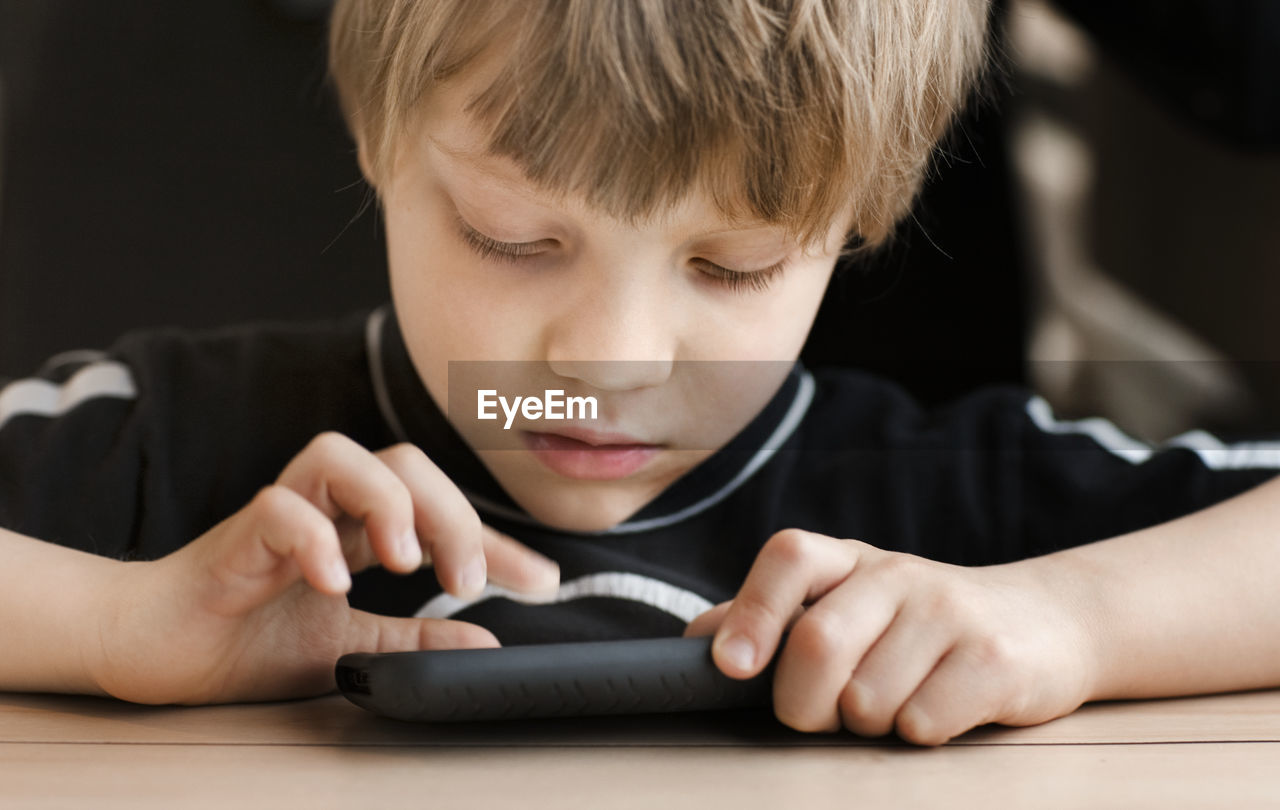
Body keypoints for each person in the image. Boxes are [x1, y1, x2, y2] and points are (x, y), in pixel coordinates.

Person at [2, 0, 1279, 746]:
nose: (608, 362)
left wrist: (1077, 620)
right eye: (514, 240)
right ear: (377, 146)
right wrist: (117, 627)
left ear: (854, 223)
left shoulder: (948, 503)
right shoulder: (173, 444)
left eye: (729, 266)